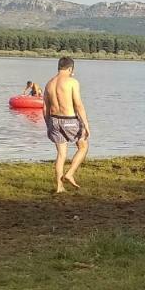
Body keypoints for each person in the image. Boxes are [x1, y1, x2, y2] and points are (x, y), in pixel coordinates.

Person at [42, 57, 91, 194]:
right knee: (83, 146)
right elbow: (78, 104)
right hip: (69, 119)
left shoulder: (49, 83)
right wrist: (86, 124)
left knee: (61, 154)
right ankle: (69, 174)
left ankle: (59, 187)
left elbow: (45, 107)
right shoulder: (72, 82)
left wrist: (48, 124)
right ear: (70, 69)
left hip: (53, 120)